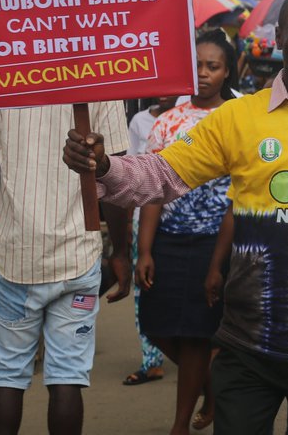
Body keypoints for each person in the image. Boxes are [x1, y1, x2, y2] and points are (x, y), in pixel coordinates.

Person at [62, 0, 288, 435]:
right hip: (247, 340)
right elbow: (162, 175)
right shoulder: (238, 116)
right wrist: (104, 166)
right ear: (279, 35)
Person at [0, 99, 131, 435]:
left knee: (8, 377)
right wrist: (122, 253)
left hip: (16, 257)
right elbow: (115, 176)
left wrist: (18, 171)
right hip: (77, 258)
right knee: (67, 376)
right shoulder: (100, 80)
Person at [137, 32, 238, 434]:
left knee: (196, 334)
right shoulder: (166, 122)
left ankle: (179, 425)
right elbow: (151, 189)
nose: (203, 73)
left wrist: (219, 264)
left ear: (227, 71)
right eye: (196, 65)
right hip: (168, 238)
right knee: (157, 326)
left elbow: (237, 198)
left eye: (212, 66)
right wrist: (144, 250)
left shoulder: (237, 117)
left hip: (215, 240)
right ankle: (212, 388)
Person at [123, 95, 177, 388]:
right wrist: (131, 220)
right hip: (147, 210)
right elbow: (133, 171)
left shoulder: (194, 115)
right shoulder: (140, 121)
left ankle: (202, 358)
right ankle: (151, 360)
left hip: (186, 219)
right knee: (144, 284)